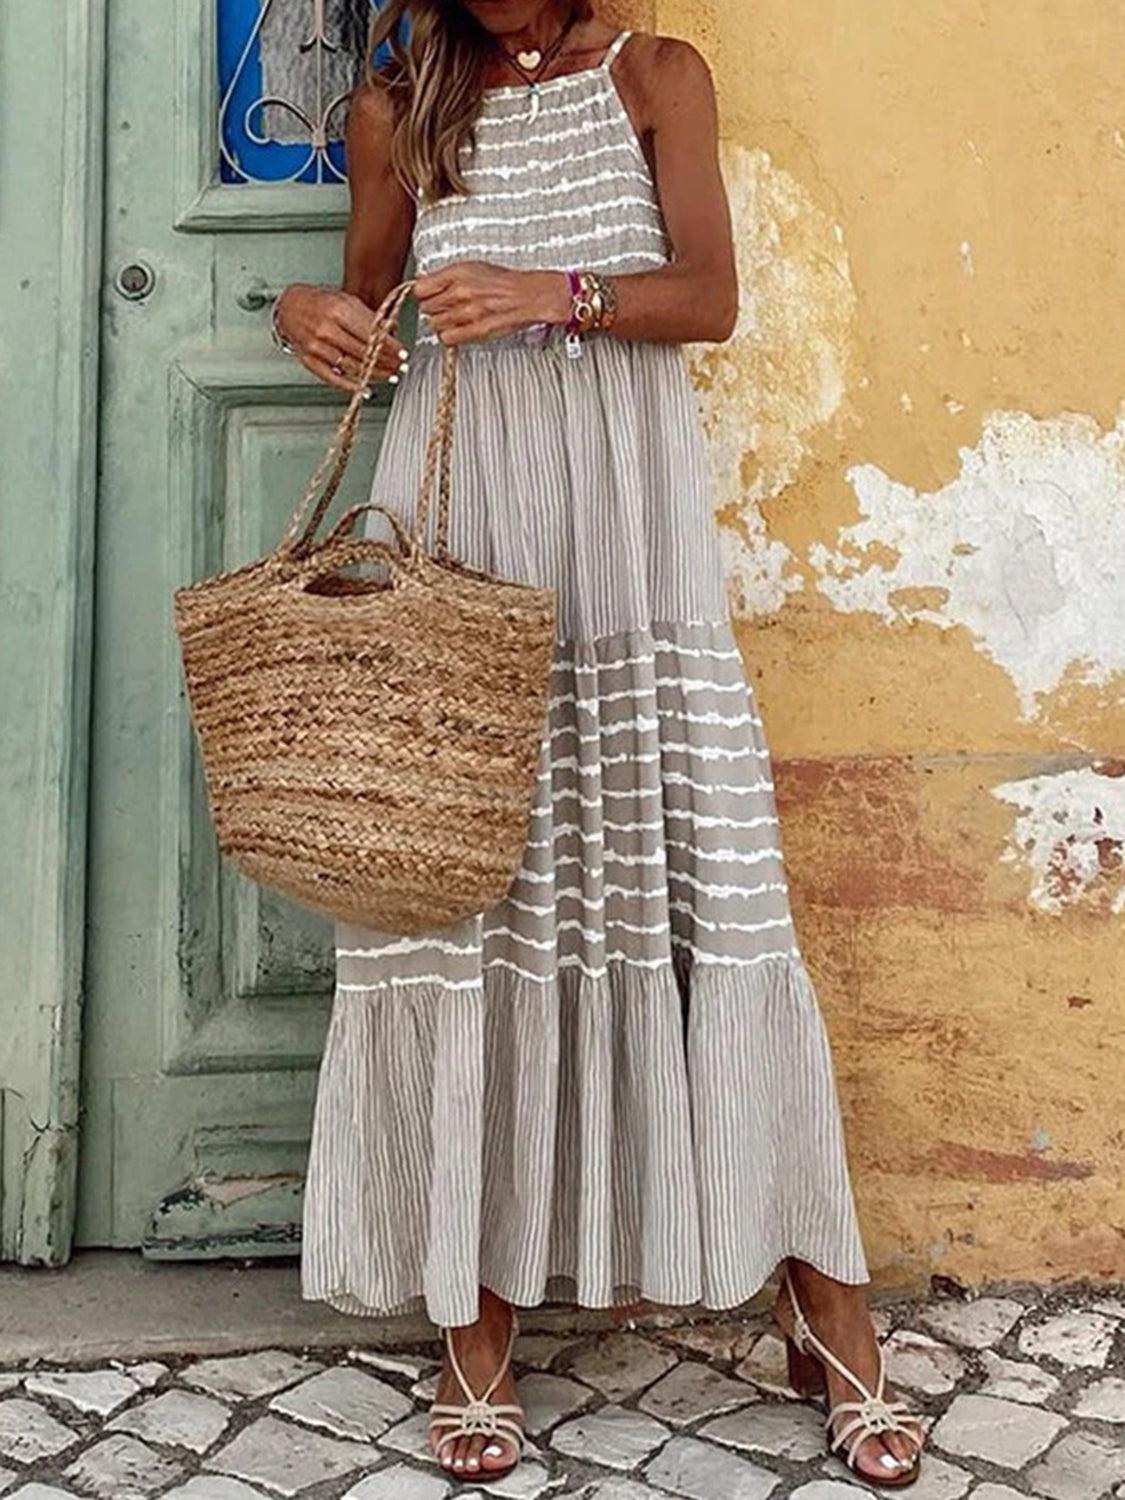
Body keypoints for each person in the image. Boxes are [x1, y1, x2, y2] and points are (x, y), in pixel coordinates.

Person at [273, 0, 925, 1488]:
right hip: (469, 536)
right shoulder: (397, 107)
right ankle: (473, 1326)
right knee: (470, 894)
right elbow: (370, 324)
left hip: (630, 541)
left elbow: (707, 297)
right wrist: (302, 318)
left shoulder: (654, 75)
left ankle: (824, 1314)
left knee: (709, 884)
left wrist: (549, 293)